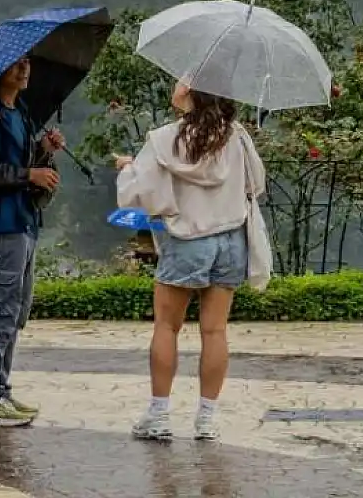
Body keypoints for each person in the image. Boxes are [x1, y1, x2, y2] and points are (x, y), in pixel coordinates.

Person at [113, 80, 265, 442]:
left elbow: (136, 192)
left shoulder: (166, 139)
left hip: (188, 240)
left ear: (190, 92)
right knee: (215, 330)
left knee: (167, 327)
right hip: (231, 239)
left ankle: (160, 414)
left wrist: (127, 167)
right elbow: (256, 184)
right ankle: (207, 419)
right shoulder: (237, 136)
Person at [0, 56, 62, 427]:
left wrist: (44, 152)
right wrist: (29, 174)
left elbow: (24, 163)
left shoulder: (19, 111)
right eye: (15, 65)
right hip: (2, 222)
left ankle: (1, 389)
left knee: (16, 308)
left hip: (26, 220)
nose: (24, 70)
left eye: (27, 63)